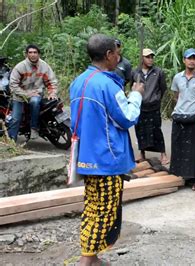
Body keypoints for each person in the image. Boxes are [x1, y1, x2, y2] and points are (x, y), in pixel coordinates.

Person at [69, 34, 144, 266]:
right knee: (105, 213)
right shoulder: (107, 85)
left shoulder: (78, 81)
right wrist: (137, 95)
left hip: (87, 157)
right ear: (109, 55)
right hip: (107, 159)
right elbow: (127, 117)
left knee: (92, 207)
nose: (119, 57)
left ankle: (93, 259)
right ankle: (86, 261)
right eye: (116, 52)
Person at [169, 48, 195, 191]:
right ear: (184, 60)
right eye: (189, 58)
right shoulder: (177, 77)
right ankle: (178, 176)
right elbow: (175, 96)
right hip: (179, 116)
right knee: (178, 147)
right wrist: (182, 108)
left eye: (194, 58)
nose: (192, 61)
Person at [8, 44, 58, 141]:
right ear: (26, 54)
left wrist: (52, 93)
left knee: (35, 102)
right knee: (15, 118)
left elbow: (52, 81)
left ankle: (34, 127)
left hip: (36, 94)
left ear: (39, 54)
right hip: (19, 96)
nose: (33, 54)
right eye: (30, 52)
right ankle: (11, 141)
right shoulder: (20, 67)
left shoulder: (44, 66)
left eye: (35, 52)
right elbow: (13, 85)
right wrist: (26, 94)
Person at [132, 48, 169, 164]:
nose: (150, 59)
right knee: (140, 130)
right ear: (142, 58)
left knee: (156, 129)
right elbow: (132, 88)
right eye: (147, 57)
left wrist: (157, 99)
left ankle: (163, 154)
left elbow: (163, 88)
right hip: (140, 107)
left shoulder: (158, 72)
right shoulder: (135, 72)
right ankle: (142, 153)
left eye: (152, 57)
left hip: (153, 106)